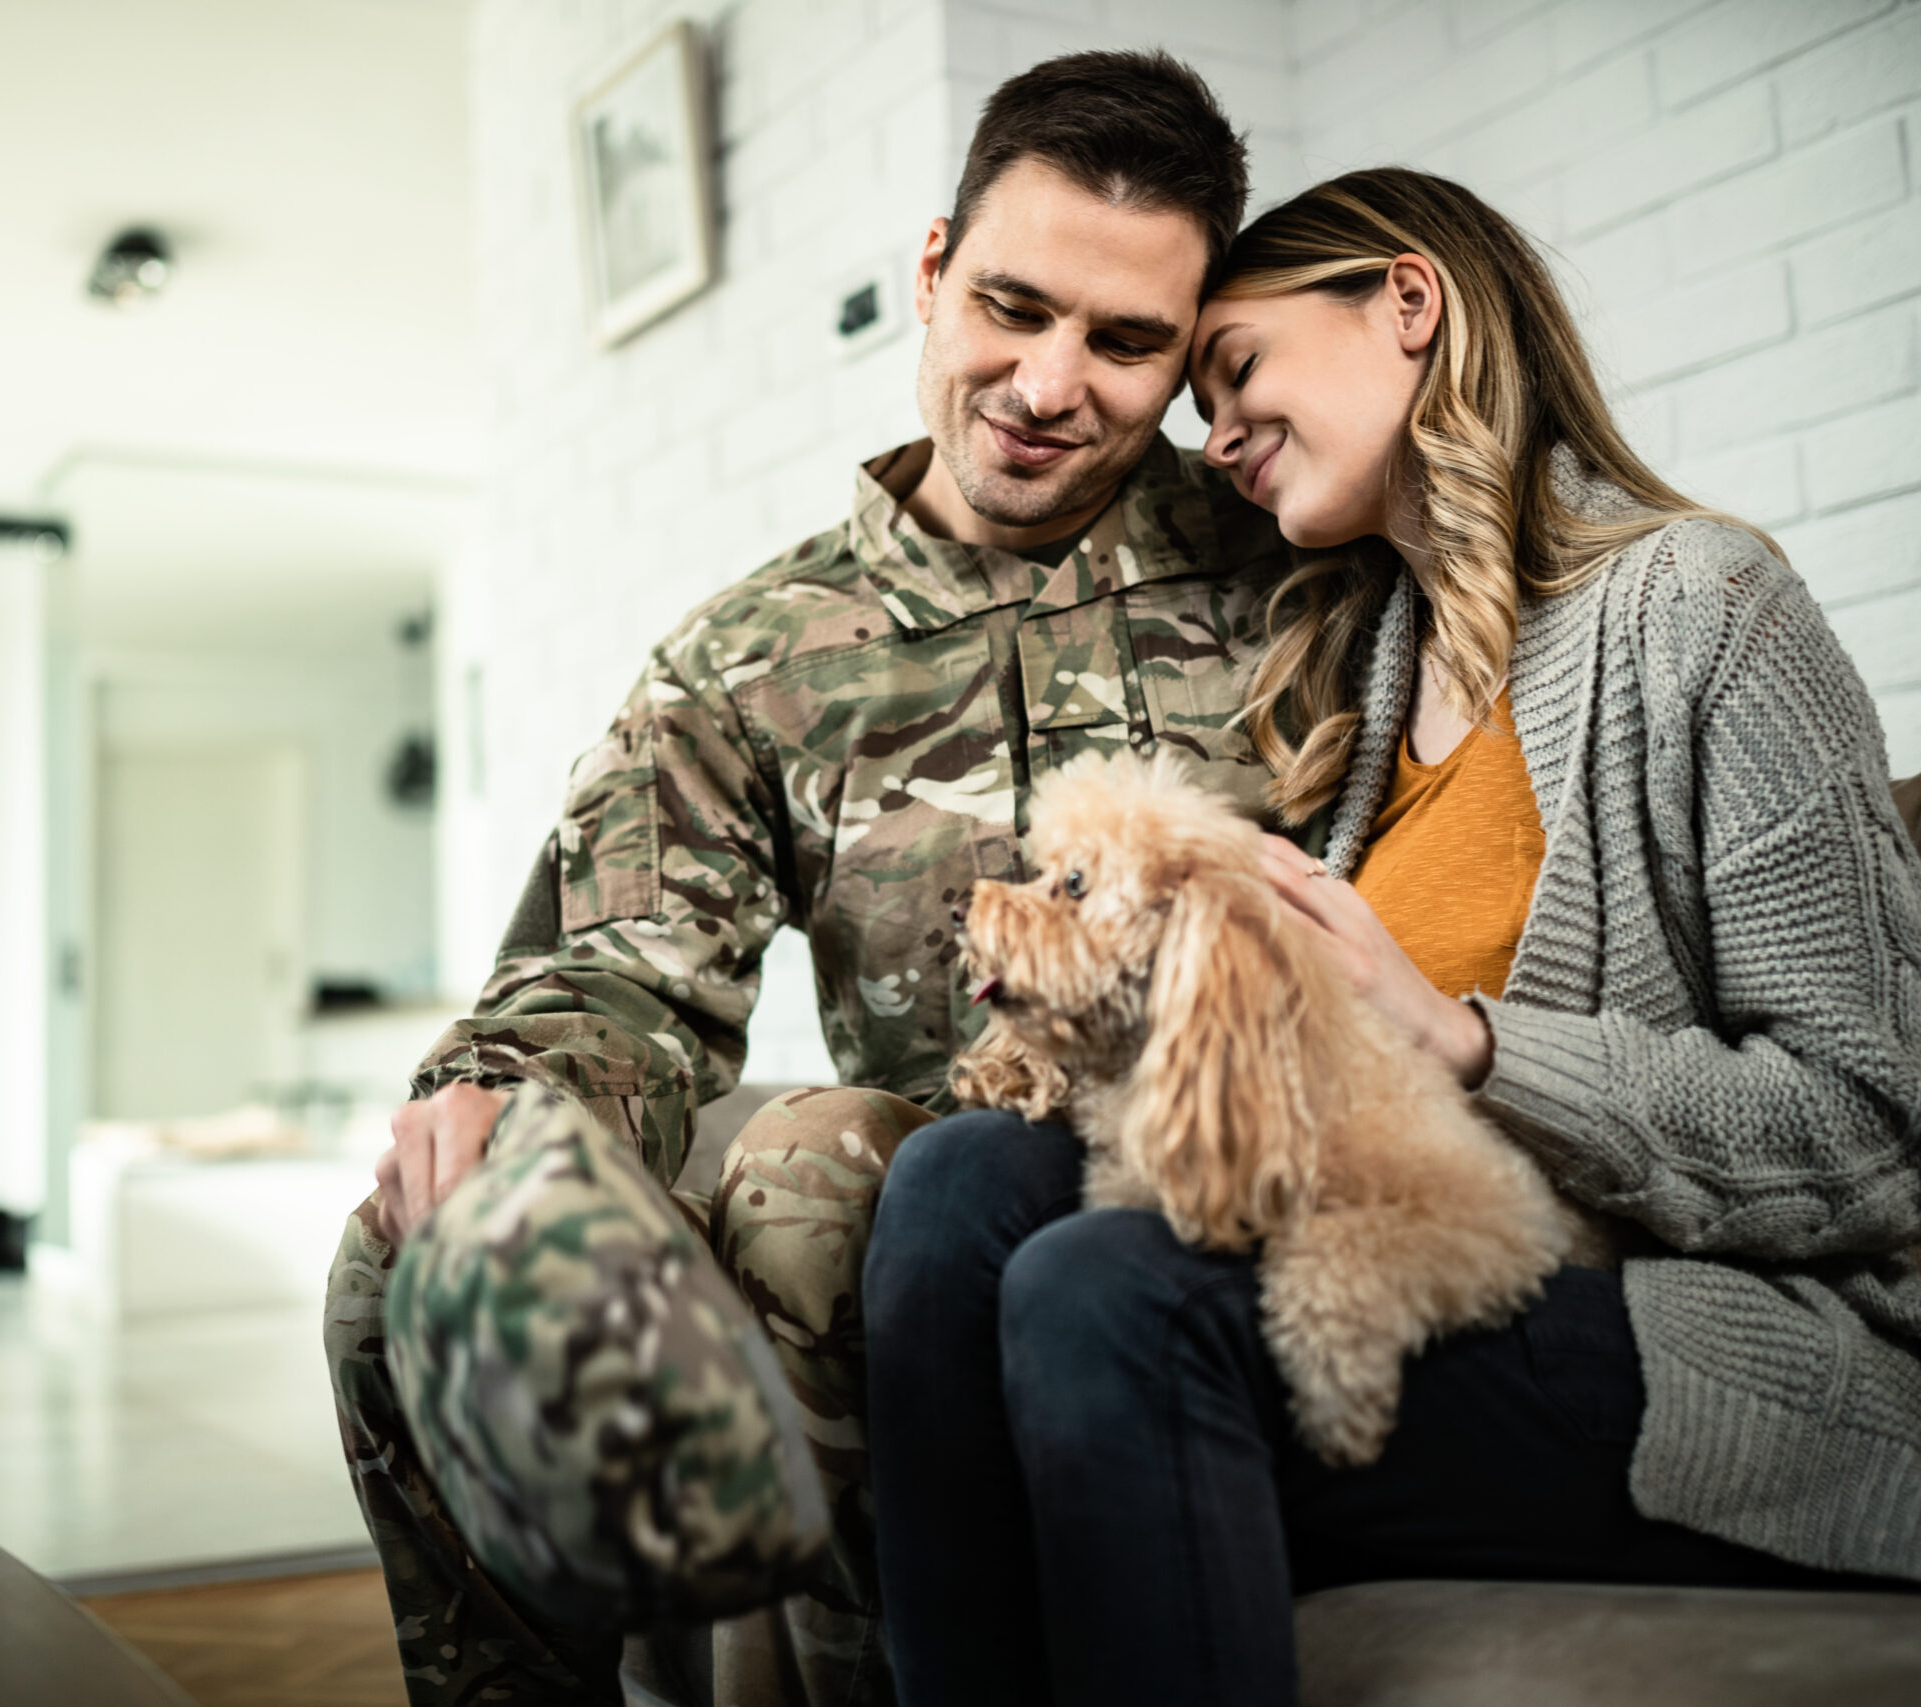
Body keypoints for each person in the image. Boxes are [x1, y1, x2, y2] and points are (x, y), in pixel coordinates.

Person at [862, 164, 1921, 1707]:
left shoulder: (1705, 605)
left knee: (1111, 1295)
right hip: (1419, 1273)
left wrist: (1469, 1041)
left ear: (1407, 304)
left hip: (1709, 1342)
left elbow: (1888, 1132)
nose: (1217, 438)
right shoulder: (1362, 693)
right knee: (956, 1185)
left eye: (1239, 368)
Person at [325, 51, 1298, 1706]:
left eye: (1125, 341)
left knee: (830, 1169)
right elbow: (618, 968)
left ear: (1185, 357)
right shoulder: (748, 661)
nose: (1051, 383)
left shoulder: (1285, 562)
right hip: (945, 1211)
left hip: (1235, 1185)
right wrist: (500, 1097)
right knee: (407, 1248)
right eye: (1013, 304)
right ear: (931, 274)